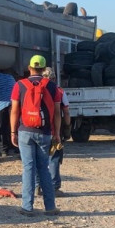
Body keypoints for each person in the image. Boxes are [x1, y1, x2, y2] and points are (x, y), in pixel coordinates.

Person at [10, 55, 61, 216]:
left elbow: (14, 111)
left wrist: (12, 132)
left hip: (25, 131)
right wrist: (57, 133)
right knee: (43, 168)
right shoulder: (53, 87)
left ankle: (27, 207)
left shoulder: (19, 85)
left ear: (29, 67)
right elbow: (58, 113)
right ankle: (50, 206)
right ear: (44, 68)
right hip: (44, 132)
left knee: (28, 168)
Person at [45, 67, 71, 195]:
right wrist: (67, 127)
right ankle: (54, 187)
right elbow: (65, 112)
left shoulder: (32, 88)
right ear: (54, 78)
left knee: (39, 159)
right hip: (55, 129)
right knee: (54, 157)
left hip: (36, 129)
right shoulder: (59, 91)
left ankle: (39, 186)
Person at [0, 69, 16, 157]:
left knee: (1, 129)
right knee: (12, 127)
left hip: (1, 107)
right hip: (12, 106)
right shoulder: (11, 78)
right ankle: (13, 147)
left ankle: (4, 150)